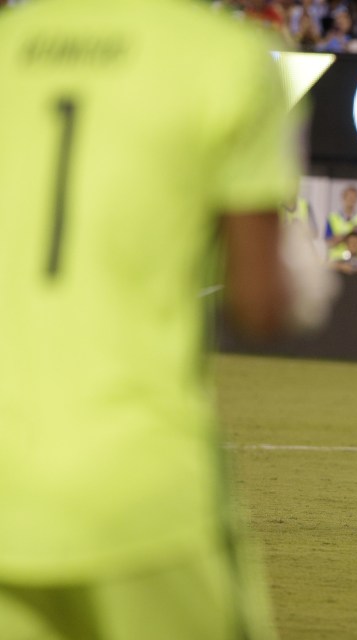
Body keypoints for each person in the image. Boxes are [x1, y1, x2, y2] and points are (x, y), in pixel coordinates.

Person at [0, 1, 322, 637]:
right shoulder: (227, 60)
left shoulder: (12, 39)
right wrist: (305, 280)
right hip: (143, 490)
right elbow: (260, 306)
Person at [326, 185, 357, 264]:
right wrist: (351, 232)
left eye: (354, 197)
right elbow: (330, 242)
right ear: (343, 197)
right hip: (337, 260)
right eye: (349, 197)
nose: (351, 200)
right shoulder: (332, 218)